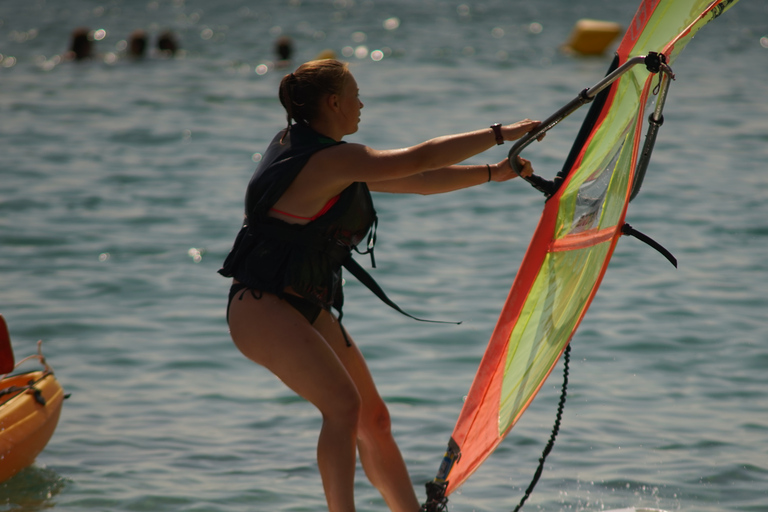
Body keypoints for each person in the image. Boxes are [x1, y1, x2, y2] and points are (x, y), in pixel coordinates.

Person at [219, 59, 541, 512]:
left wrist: (493, 171)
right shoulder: (329, 158)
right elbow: (420, 157)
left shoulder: (323, 153)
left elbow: (420, 180)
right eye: (355, 94)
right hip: (262, 306)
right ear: (333, 102)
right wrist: (500, 132)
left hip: (300, 303)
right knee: (343, 408)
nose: (362, 103)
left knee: (374, 419)